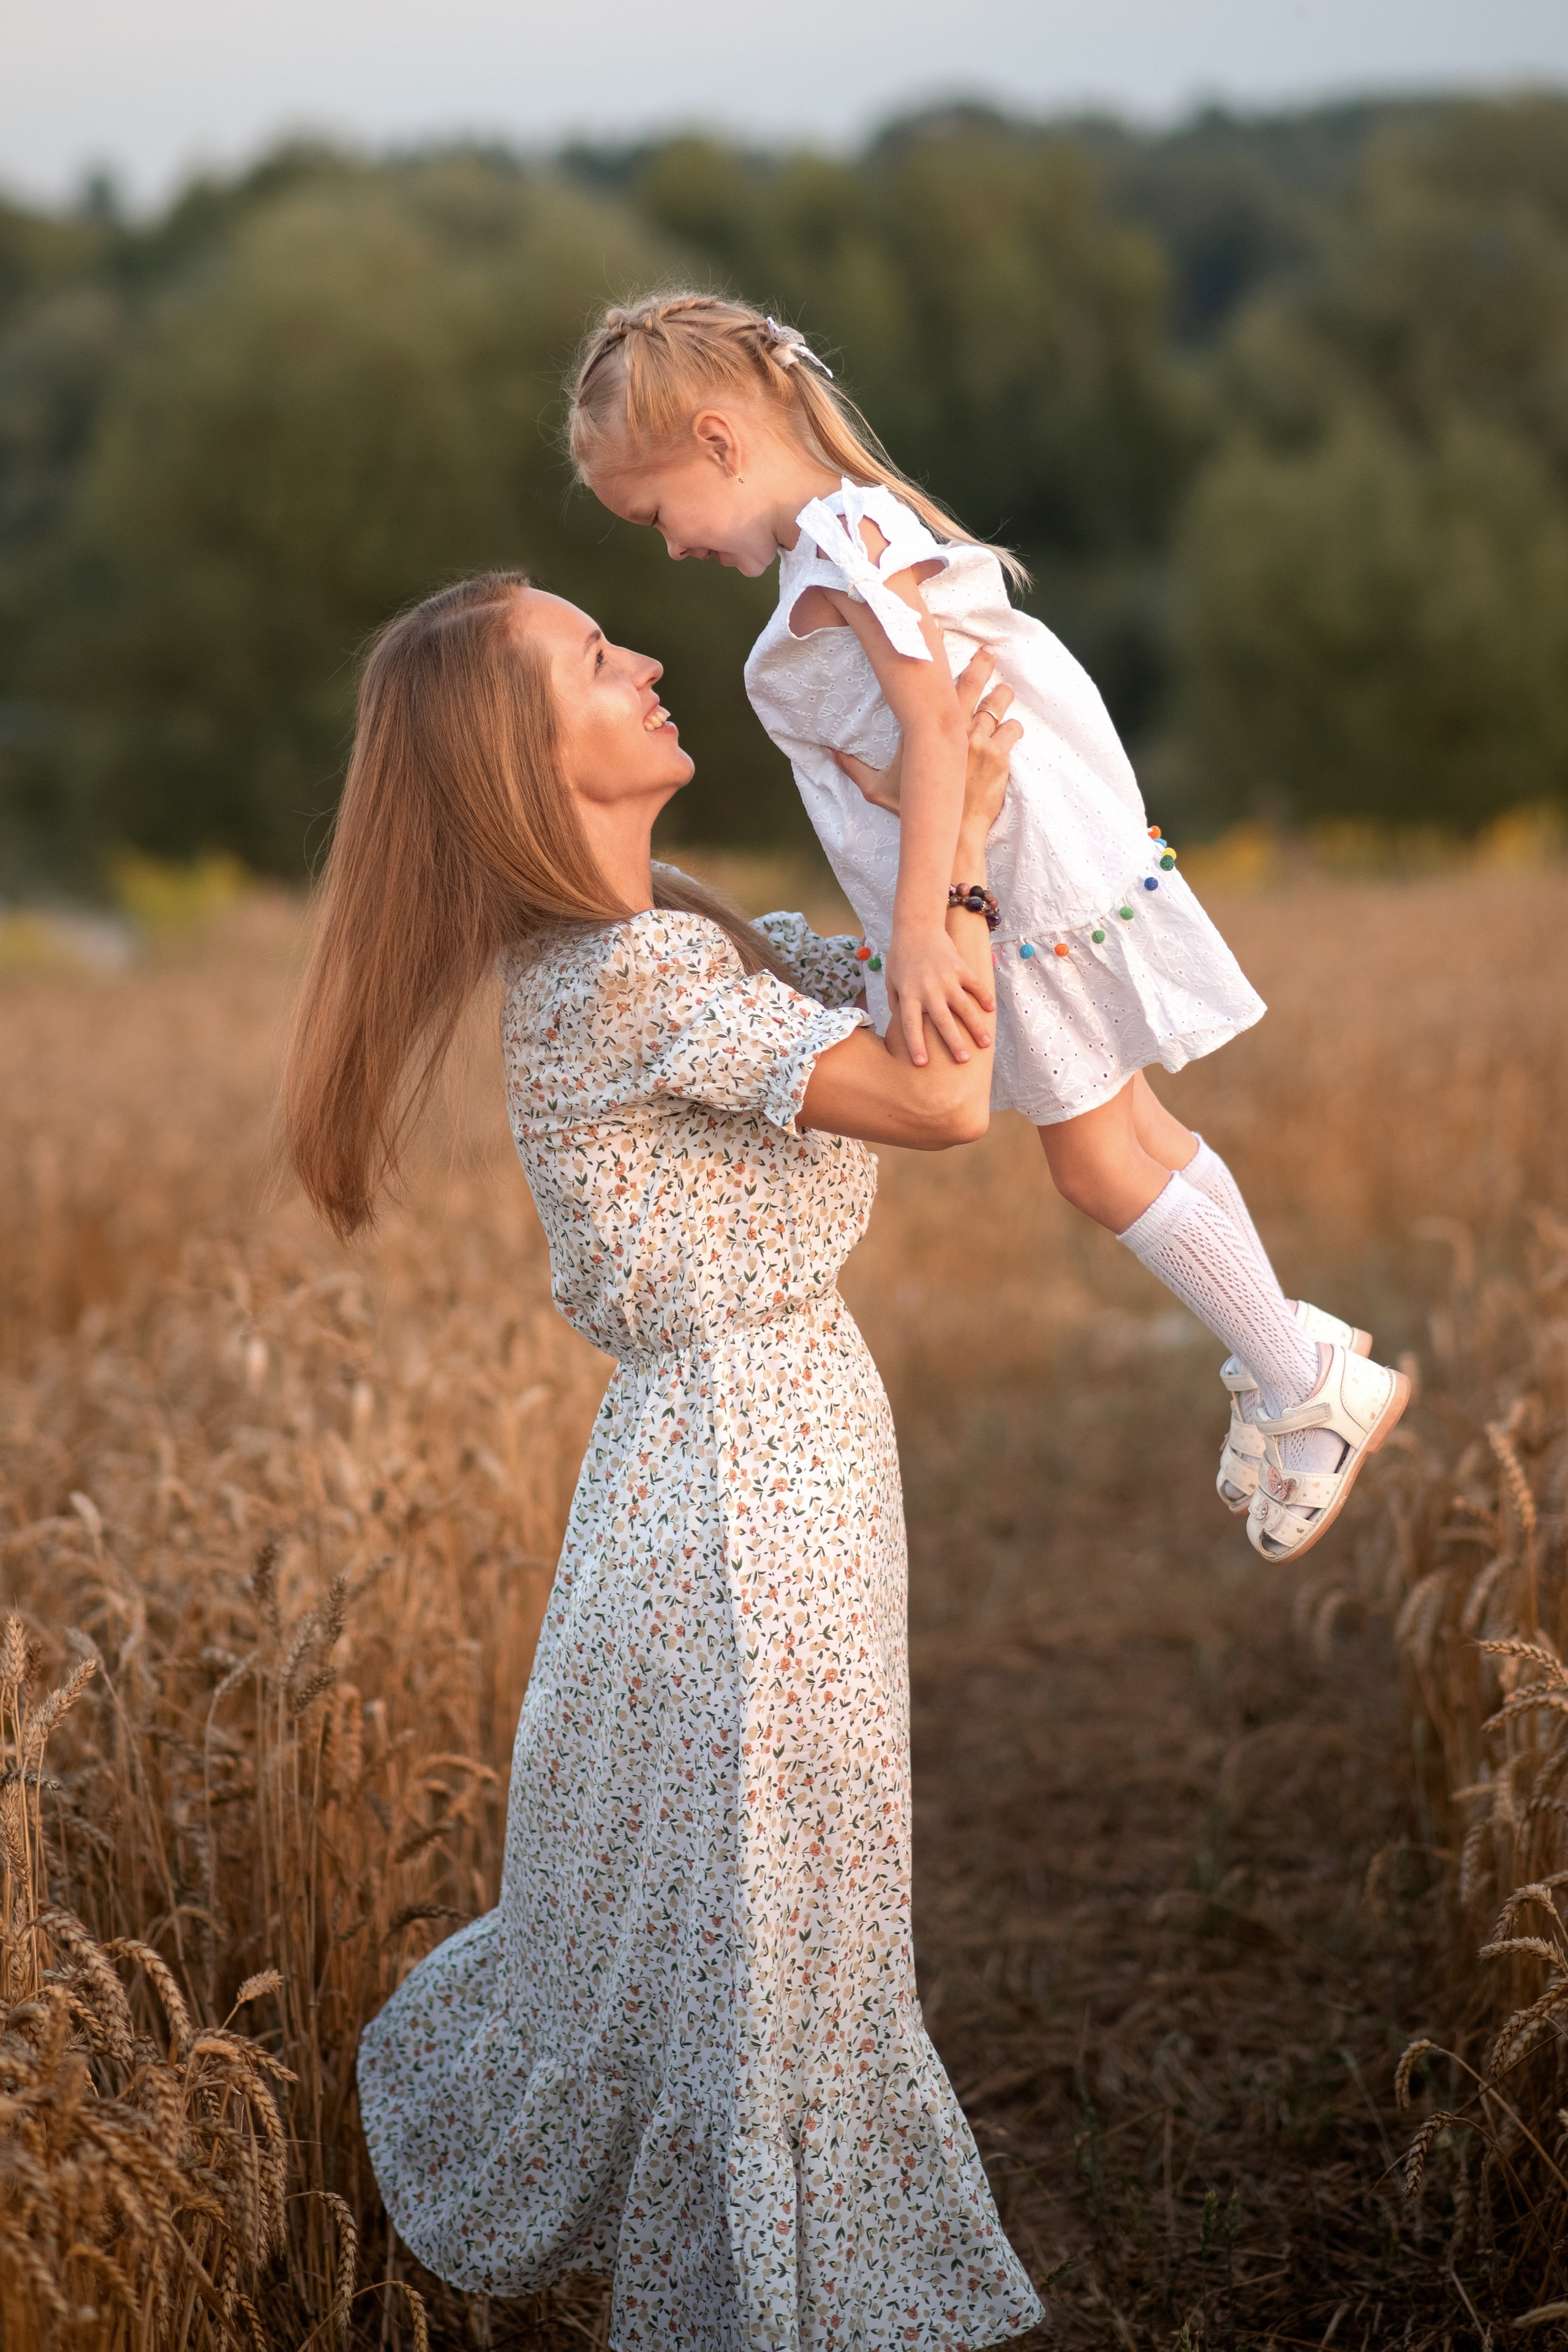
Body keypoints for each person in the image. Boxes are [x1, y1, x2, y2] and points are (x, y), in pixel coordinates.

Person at [283, 568, 1046, 2346]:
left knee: (789, 1930)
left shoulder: (688, 931)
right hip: (734, 1497)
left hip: (766, 1454)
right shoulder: (618, 977)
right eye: (590, 659)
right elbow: (940, 1098)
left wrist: (947, 816)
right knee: (770, 1951)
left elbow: (936, 1004)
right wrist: (944, 787)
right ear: (515, 762)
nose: (642, 658)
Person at [568, 292, 1411, 1565]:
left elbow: (934, 724)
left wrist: (919, 928)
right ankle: (1287, 1353)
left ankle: (1305, 1383)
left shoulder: (845, 540)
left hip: (1005, 881)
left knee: (1091, 1161)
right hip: (1023, 859)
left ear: (718, 441)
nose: (669, 549)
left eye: (653, 513)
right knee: (1128, 1132)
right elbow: (915, 735)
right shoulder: (837, 543)